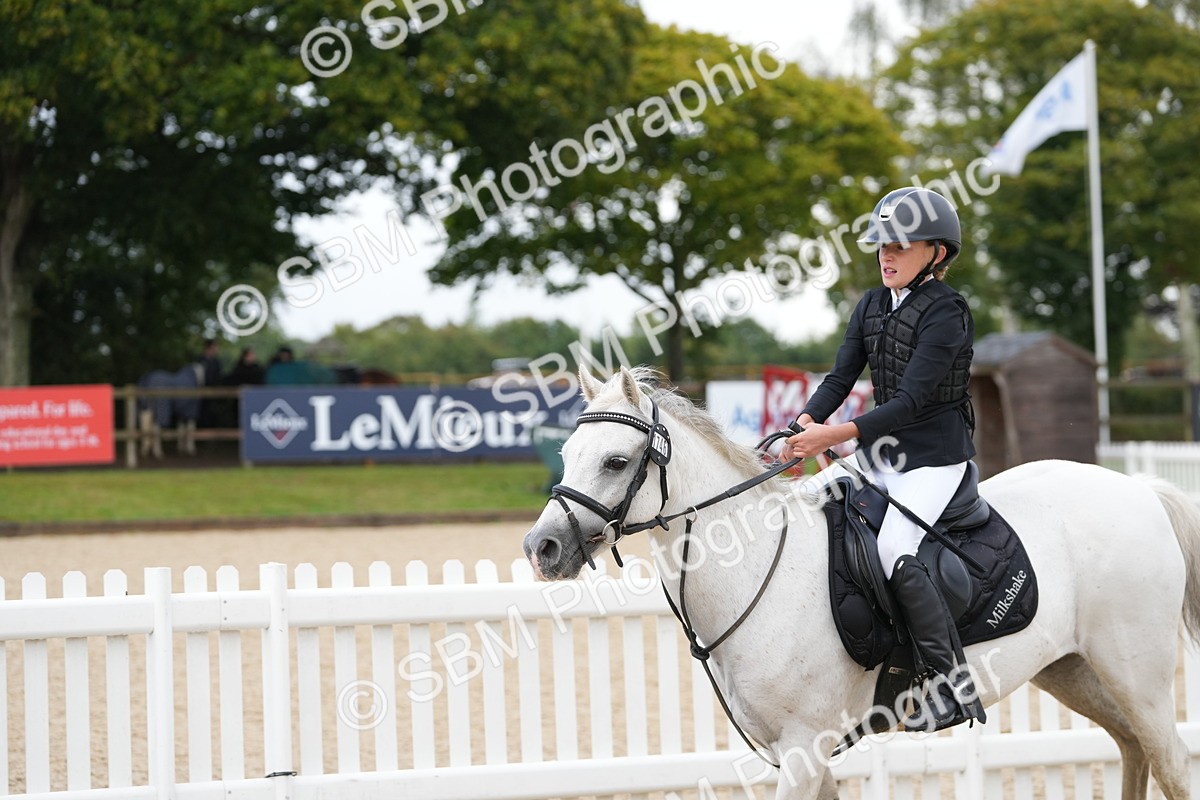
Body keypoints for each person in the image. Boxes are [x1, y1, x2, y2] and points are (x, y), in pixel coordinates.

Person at [782, 186, 979, 733]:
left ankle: (950, 686)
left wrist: (834, 435)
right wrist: (803, 423)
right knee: (802, 510)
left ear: (937, 252)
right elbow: (840, 378)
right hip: (881, 456)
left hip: (935, 461)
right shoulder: (871, 304)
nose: (885, 256)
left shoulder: (948, 312)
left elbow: (910, 402)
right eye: (881, 246)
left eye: (899, 247)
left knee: (894, 548)